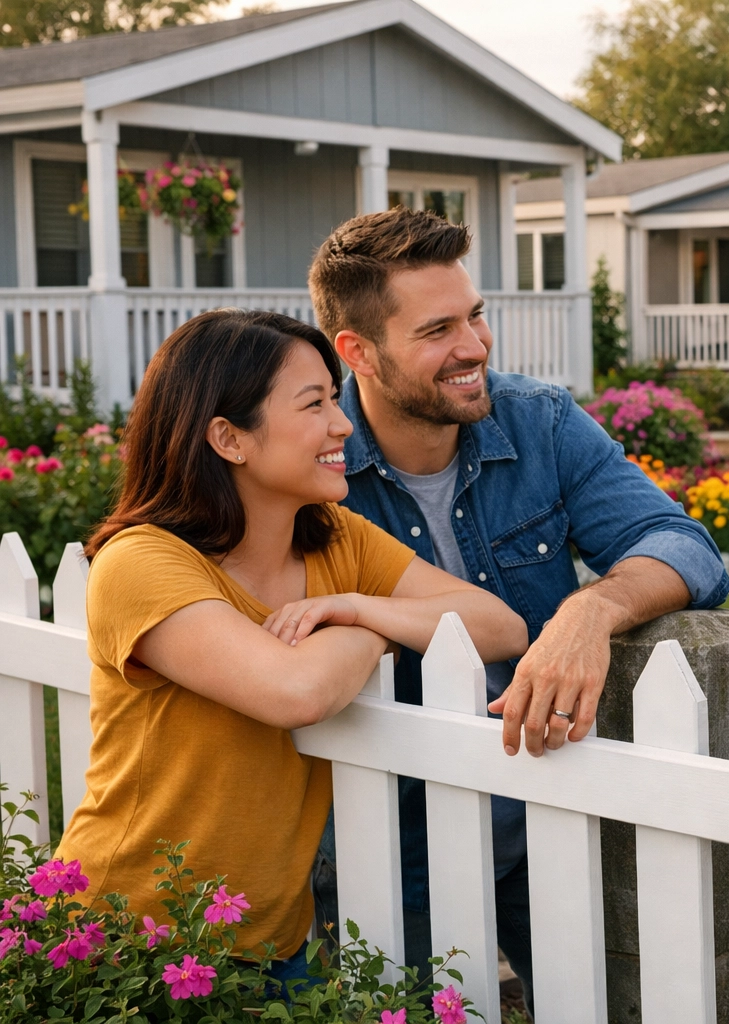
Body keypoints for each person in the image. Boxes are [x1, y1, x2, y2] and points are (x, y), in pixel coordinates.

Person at [306, 208, 729, 1013]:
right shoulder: (314, 463)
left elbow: (682, 547)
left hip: (549, 813)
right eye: (437, 330)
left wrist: (587, 612)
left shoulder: (537, 420)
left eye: (475, 316)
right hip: (388, 843)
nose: (472, 347)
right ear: (356, 351)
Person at [59, 309, 527, 988]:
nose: (342, 425)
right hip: (129, 945)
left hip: (276, 947)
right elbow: (294, 693)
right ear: (228, 438)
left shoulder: (335, 538)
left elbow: (498, 626)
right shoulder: (142, 561)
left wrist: (358, 606)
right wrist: (377, 627)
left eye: (335, 400)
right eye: (314, 404)